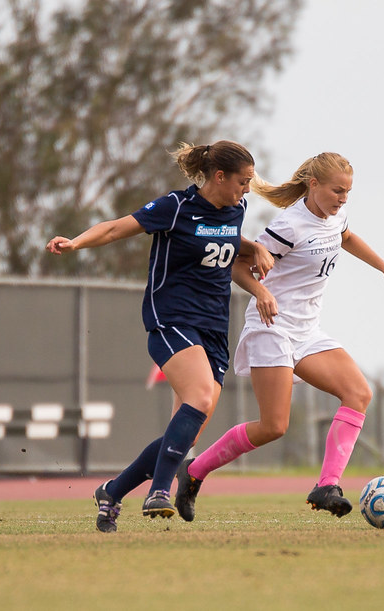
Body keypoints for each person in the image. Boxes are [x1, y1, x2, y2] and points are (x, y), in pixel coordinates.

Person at [46, 141, 273, 532]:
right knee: (200, 398)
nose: (247, 189)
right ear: (219, 176)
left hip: (214, 328)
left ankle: (111, 492)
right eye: (243, 181)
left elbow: (227, 242)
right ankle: (160, 491)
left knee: (184, 434)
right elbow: (118, 227)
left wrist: (255, 251)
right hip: (171, 320)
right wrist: (76, 242)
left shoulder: (237, 209)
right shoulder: (176, 206)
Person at [173, 152, 384, 521]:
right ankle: (194, 471)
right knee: (273, 427)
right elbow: (238, 266)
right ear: (313, 185)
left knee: (359, 393)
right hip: (272, 329)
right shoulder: (289, 226)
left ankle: (326, 485)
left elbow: (346, 237)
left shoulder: (336, 215)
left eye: (348, 192)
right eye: (336, 191)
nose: (343, 198)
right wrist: (263, 293)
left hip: (307, 331)